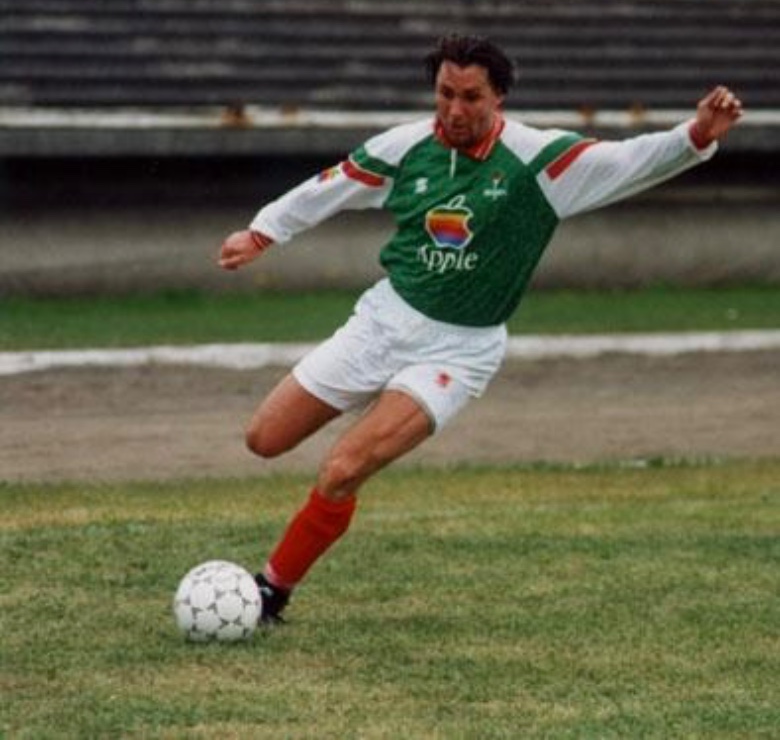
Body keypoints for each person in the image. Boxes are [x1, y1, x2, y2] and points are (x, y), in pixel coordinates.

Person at [218, 34, 743, 623]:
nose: (455, 109)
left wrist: (696, 136)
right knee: (264, 438)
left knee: (343, 469)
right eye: (445, 94)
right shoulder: (404, 147)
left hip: (458, 349)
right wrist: (262, 232)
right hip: (381, 323)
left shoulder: (537, 161)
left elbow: (626, 161)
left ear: (499, 99)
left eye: (470, 97)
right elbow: (332, 184)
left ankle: (272, 590)